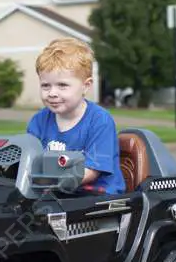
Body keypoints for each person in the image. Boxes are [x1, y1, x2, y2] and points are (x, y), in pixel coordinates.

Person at [26, 37, 126, 195]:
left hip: (98, 199)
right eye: (46, 85)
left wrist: (49, 181)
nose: (52, 93)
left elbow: (92, 171)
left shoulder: (99, 121)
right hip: (56, 195)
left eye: (62, 85)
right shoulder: (38, 121)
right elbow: (29, 161)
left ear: (86, 86)